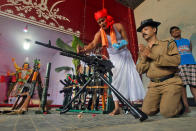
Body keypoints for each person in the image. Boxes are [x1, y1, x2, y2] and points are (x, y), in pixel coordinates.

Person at [77, 8, 145, 115]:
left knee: (131, 78)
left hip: (125, 55)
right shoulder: (100, 33)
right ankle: (117, 108)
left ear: (107, 19)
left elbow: (127, 40)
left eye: (102, 20)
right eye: (99, 22)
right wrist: (83, 49)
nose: (101, 23)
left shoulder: (118, 26)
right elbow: (93, 44)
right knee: (115, 82)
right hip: (114, 59)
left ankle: (134, 105)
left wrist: (120, 44)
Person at [136, 19, 184, 117]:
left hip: (170, 82)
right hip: (154, 85)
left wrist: (151, 54)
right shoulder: (143, 50)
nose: (143, 32)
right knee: (146, 112)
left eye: (145, 29)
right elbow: (140, 70)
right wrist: (144, 57)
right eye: (141, 31)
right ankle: (164, 102)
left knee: (167, 113)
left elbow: (176, 61)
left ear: (154, 29)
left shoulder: (168, 43)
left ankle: (178, 105)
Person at [170, 26, 196, 113]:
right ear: (172, 35)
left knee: (193, 85)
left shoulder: (187, 41)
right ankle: (186, 107)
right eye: (173, 31)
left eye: (177, 30)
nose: (175, 32)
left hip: (192, 64)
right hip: (180, 66)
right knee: (183, 86)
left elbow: (190, 51)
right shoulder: (172, 43)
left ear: (180, 31)